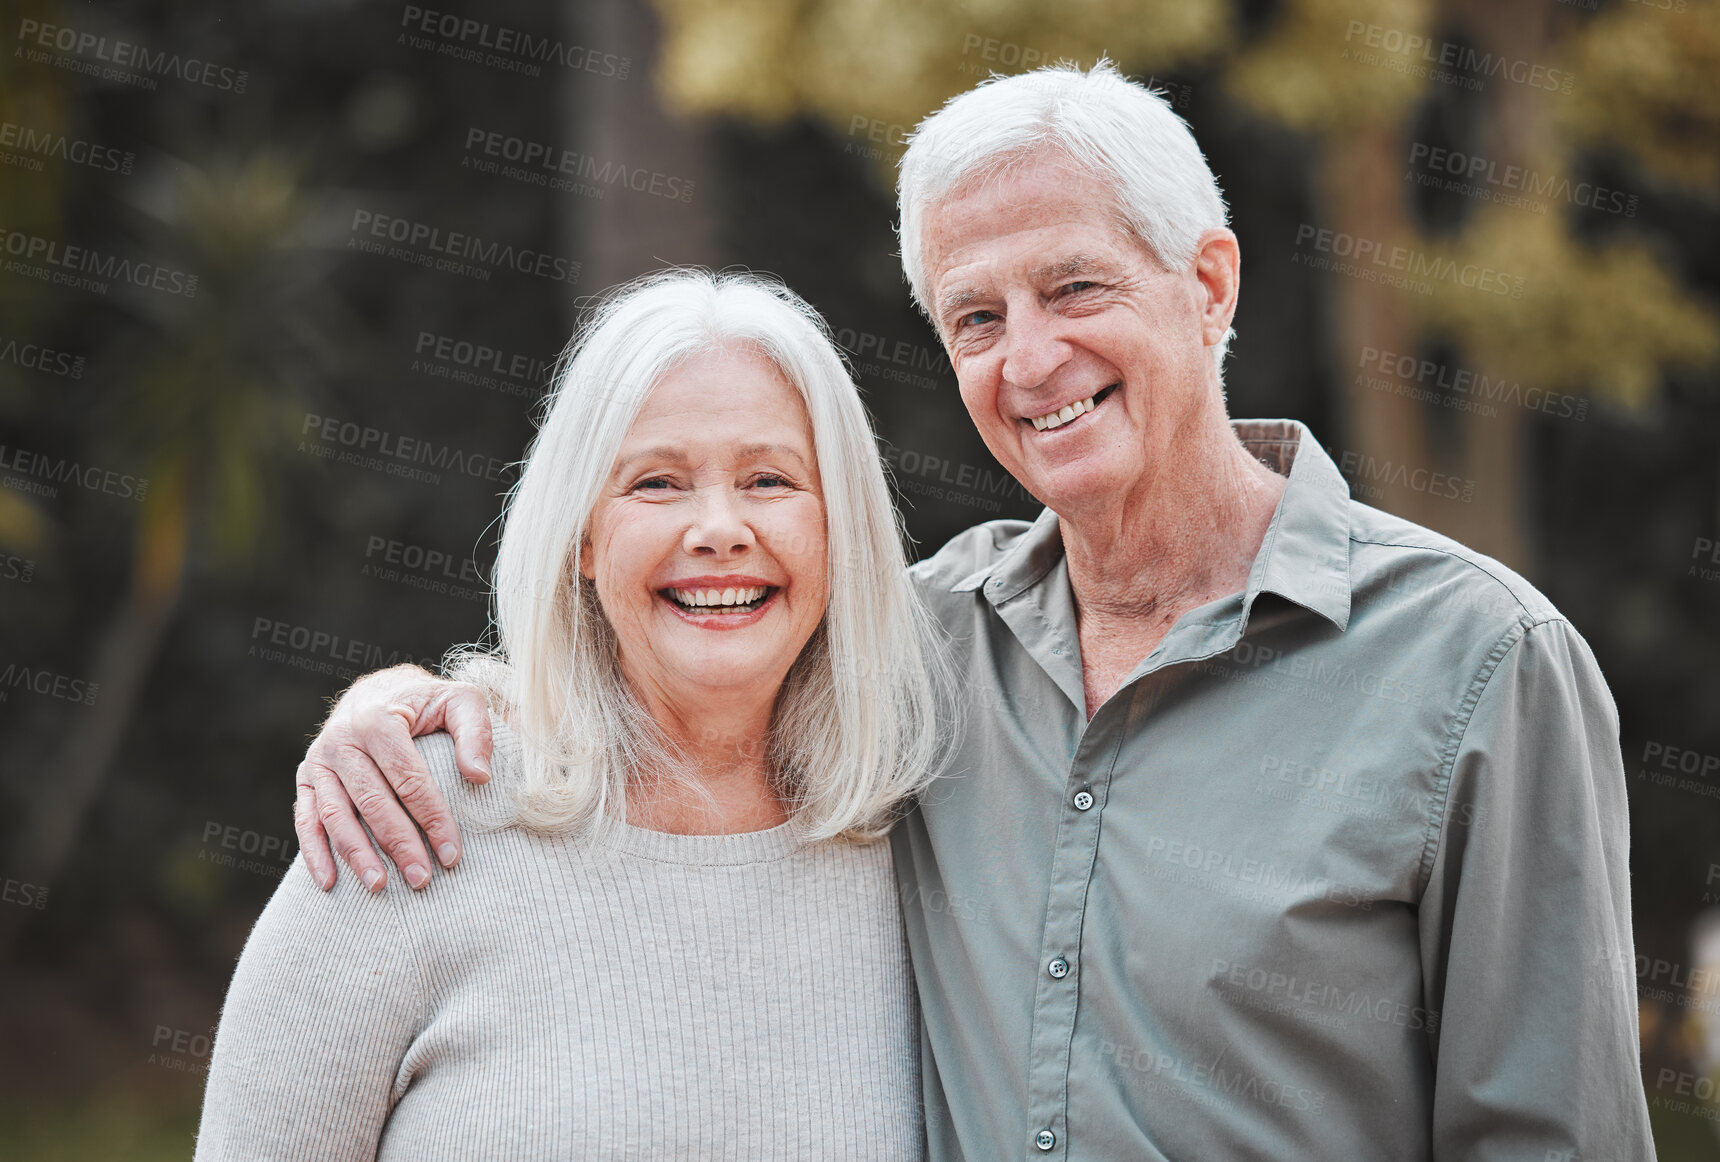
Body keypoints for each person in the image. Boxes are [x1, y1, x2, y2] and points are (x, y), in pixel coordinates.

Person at [294, 64, 1655, 1160]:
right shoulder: (918, 646)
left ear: (1212, 284)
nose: (1032, 357)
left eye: (1075, 287)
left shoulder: (1480, 664)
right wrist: (408, 705)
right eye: (976, 317)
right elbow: (668, 663)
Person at [196, 270, 950, 1159]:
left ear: (839, 529)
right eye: (658, 483)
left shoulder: (932, 839)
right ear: (585, 538)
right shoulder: (408, 816)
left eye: (769, 479)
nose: (718, 527)